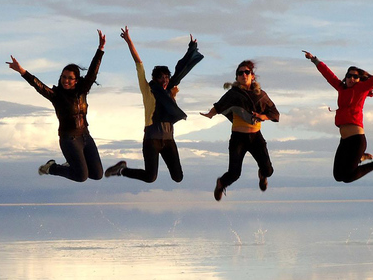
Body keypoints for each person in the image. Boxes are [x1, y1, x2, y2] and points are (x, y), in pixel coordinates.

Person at [104, 27, 204, 184]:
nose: (164, 80)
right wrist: (129, 42)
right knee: (150, 177)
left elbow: (182, 68)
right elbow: (139, 64)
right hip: (152, 139)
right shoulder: (148, 90)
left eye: (166, 77)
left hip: (169, 140)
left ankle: (122, 170)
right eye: (160, 77)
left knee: (178, 177)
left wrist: (192, 48)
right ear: (154, 78)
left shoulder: (170, 91)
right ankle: (121, 170)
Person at [7, 30, 106, 181]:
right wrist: (22, 71)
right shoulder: (56, 95)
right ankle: (51, 167)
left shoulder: (82, 90)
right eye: (63, 77)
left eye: (70, 78)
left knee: (97, 174)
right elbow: (38, 85)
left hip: (85, 136)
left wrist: (100, 49)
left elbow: (93, 72)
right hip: (69, 139)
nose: (65, 80)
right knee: (81, 176)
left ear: (76, 80)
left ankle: (71, 164)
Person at [302, 50, 373, 183]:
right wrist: (314, 60)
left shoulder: (361, 89)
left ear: (359, 79)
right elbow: (328, 74)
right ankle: (360, 158)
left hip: (356, 140)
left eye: (355, 77)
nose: (352, 79)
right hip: (344, 140)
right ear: (345, 77)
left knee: (347, 177)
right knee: (338, 176)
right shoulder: (341, 88)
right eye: (349, 76)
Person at [201, 61, 280, 201]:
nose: (244, 75)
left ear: (252, 76)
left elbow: (274, 113)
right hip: (238, 138)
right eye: (240, 73)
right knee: (234, 174)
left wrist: (262, 116)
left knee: (268, 170)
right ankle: (220, 184)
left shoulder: (261, 95)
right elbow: (219, 106)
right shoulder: (233, 94)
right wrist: (210, 114)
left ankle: (262, 176)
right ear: (237, 77)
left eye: (247, 72)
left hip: (256, 137)